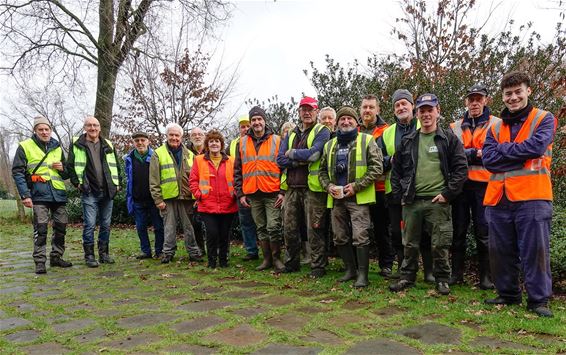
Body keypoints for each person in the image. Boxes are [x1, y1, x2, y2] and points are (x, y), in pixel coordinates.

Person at [482, 71, 556, 318]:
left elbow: (536, 147)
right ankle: (508, 294)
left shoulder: (544, 119)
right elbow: (490, 162)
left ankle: (538, 300)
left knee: (535, 250)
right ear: (502, 96)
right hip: (498, 198)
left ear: (528, 91)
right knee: (500, 251)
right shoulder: (494, 126)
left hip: (533, 197)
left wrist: (504, 151)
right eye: (508, 94)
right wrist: (517, 156)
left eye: (517, 92)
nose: (513, 98)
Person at [389, 94, 467, 295]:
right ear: (417, 114)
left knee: (440, 243)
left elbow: (460, 169)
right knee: (410, 243)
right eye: (422, 111)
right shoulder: (408, 141)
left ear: (438, 112)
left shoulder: (448, 138)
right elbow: (396, 171)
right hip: (412, 201)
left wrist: (448, 194)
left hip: (438, 201)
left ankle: (442, 279)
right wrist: (400, 196)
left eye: (430, 110)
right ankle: (407, 277)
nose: (426, 114)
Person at [319, 106, 382, 287]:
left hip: (358, 197)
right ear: (337, 123)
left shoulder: (367, 140)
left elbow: (376, 168)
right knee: (339, 236)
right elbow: (322, 171)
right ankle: (350, 270)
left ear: (356, 122)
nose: (346, 122)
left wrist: (357, 186)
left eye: (350, 119)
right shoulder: (329, 145)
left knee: (360, 235)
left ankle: (363, 275)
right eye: (342, 119)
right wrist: (328, 186)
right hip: (337, 199)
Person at [377, 89, 434, 282]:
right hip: (395, 190)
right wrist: (390, 159)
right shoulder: (387, 133)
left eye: (404, 103)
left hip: (422, 188)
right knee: (396, 232)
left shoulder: (426, 123)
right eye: (397, 105)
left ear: (413, 106)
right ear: (394, 110)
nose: (401, 107)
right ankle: (404, 269)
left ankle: (429, 271)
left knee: (425, 231)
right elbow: (377, 159)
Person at [448, 84, 500, 289]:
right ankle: (456, 274)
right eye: (471, 99)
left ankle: (486, 277)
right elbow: (452, 155)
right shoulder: (455, 126)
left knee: (483, 232)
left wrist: (470, 154)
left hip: (484, 185)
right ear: (466, 102)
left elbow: (495, 153)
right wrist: (473, 154)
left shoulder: (496, 124)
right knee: (458, 231)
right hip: (460, 185)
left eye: (479, 98)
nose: (475, 102)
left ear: (486, 100)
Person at [277, 96, 331, 278]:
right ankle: (292, 263)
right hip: (292, 188)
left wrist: (292, 153)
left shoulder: (322, 130)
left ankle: (318, 266)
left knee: (314, 229)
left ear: (316, 111)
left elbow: (314, 155)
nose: (307, 112)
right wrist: (298, 162)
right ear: (299, 112)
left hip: (312, 189)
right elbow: (279, 159)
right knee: (289, 229)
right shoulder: (291, 133)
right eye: (303, 109)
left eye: (310, 109)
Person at [12, 116, 72, 274]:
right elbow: (18, 172)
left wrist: (62, 168)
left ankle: (56, 257)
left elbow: (67, 174)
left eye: (47, 129)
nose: (44, 132)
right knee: (41, 228)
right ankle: (39, 261)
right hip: (38, 194)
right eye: (41, 129)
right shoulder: (25, 146)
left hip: (58, 194)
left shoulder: (57, 146)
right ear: (35, 130)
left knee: (61, 227)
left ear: (50, 130)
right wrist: (25, 195)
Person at [234, 106, 285, 272]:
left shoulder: (277, 140)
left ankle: (277, 259)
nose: (256, 123)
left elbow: (285, 168)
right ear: (250, 123)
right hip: (252, 193)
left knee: (273, 227)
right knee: (261, 227)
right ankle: (267, 259)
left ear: (264, 121)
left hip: (272, 192)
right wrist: (240, 193)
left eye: (259, 119)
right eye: (253, 120)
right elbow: (237, 170)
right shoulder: (241, 143)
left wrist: (283, 191)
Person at [68, 116, 122, 268]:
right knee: (90, 224)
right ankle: (89, 256)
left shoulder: (108, 144)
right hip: (89, 190)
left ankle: (104, 254)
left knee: (106, 224)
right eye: (89, 125)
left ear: (99, 127)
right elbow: (70, 166)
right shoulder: (77, 144)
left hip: (107, 191)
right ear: (85, 127)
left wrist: (118, 184)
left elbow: (116, 165)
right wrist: (77, 184)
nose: (93, 128)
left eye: (95, 125)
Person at [149, 123, 202, 264]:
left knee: (189, 227)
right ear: (166, 136)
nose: (174, 138)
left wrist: (196, 196)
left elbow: (196, 179)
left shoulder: (191, 155)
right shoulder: (158, 153)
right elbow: (154, 179)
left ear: (181, 137)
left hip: (187, 198)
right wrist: (158, 199)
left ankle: (194, 253)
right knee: (169, 228)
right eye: (171, 135)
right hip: (168, 199)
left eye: (177, 135)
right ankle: (168, 253)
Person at [358, 94, 394, 278]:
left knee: (382, 229)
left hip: (379, 187)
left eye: (371, 107)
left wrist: (377, 164)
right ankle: (358, 265)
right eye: (364, 107)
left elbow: (390, 158)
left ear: (378, 110)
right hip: (358, 188)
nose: (367, 111)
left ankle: (386, 264)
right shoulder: (354, 130)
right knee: (359, 228)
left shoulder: (386, 131)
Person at [190, 130, 238, 268]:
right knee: (212, 233)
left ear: (221, 144)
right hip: (207, 205)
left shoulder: (231, 161)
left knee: (224, 234)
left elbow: (237, 180)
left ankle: (223, 261)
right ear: (207, 144)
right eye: (211, 141)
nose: (214, 144)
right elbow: (193, 180)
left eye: (217, 141)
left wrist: (234, 194)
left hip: (228, 204)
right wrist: (199, 195)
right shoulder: (199, 160)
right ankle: (212, 261)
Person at [124, 131, 164, 259]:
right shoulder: (129, 158)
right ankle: (146, 251)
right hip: (137, 199)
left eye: (142, 140)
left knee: (158, 227)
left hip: (154, 199)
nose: (140, 143)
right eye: (137, 141)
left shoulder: (155, 156)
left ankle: (159, 251)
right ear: (133, 143)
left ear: (148, 141)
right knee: (141, 227)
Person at [228, 115, 259, 261]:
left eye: (248, 126)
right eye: (243, 126)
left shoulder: (258, 141)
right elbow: (234, 168)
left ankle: (267, 251)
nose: (246, 129)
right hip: (243, 188)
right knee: (246, 222)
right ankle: (251, 251)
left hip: (258, 187)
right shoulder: (234, 144)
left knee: (262, 222)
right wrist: (238, 190)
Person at [186, 127, 206, 254]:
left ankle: (215, 249)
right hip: (192, 195)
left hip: (209, 194)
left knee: (212, 225)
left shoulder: (212, 150)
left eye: (200, 134)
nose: (197, 137)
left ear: (204, 137)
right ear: (190, 138)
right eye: (194, 135)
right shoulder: (185, 153)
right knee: (195, 224)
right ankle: (200, 248)